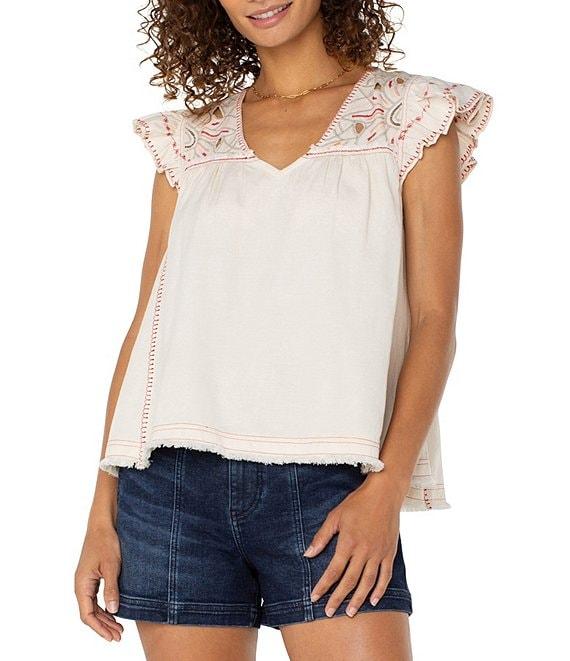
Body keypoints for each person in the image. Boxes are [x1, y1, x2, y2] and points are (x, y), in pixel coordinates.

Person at [74, 1, 493, 659]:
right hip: (171, 488)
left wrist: (386, 489)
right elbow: (146, 331)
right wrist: (101, 511)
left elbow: (434, 320)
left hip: (329, 484)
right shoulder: (191, 141)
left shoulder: (410, 116)